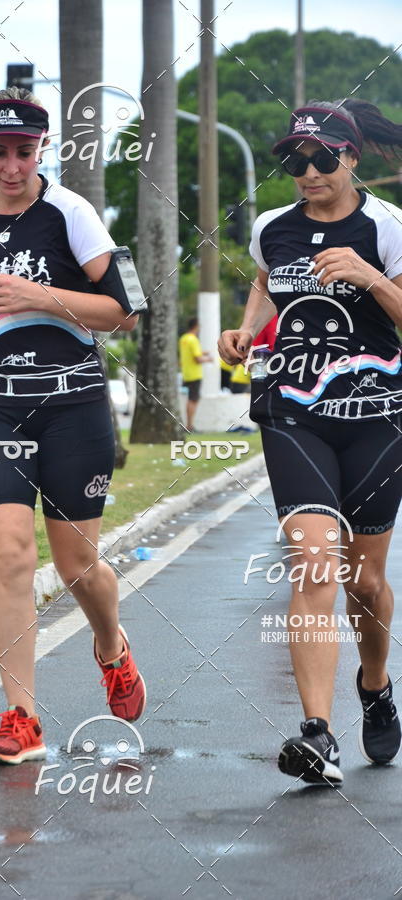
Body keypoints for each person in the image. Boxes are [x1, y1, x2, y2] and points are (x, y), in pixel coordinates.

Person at [0, 86, 146, 765]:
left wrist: (44, 296)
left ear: (44, 150)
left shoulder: (72, 214)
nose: (12, 167)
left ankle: (111, 647)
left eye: (25, 152)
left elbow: (126, 310)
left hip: (72, 404)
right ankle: (21, 720)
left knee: (78, 568)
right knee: (11, 556)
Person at [218, 99, 402, 785]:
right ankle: (317, 734)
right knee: (313, 560)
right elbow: (268, 283)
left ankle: (376, 683)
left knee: (366, 580)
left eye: (322, 158)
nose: (308, 171)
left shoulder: (387, 228)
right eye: (296, 160)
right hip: (295, 411)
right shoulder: (274, 229)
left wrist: (371, 276)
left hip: (376, 416)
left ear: (350, 158)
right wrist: (244, 330)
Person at [179, 317, 213, 430]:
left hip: (186, 373)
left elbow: (191, 353)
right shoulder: (193, 339)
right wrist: (209, 359)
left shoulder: (184, 338)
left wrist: (203, 352)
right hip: (195, 374)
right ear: (196, 326)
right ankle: (189, 425)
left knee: (190, 399)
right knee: (193, 400)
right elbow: (197, 359)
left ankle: (189, 424)